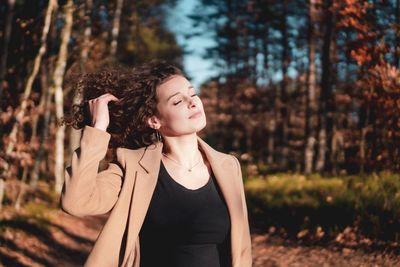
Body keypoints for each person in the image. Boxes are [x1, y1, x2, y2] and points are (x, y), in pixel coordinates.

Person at [60, 61, 252, 267]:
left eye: (193, 94)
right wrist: (98, 129)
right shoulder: (132, 166)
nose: (193, 102)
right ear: (154, 121)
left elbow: (241, 249)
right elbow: (76, 203)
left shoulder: (228, 166)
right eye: (177, 101)